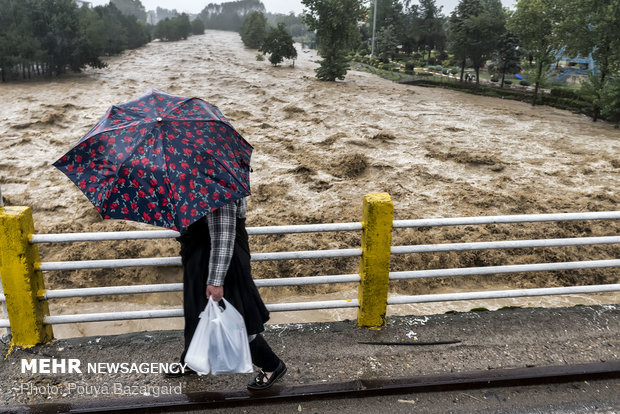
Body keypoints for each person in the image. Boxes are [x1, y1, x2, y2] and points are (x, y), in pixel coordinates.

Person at [169, 197, 287, 390]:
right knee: (197, 314)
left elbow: (223, 235)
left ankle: (272, 365)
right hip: (202, 260)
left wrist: (216, 280)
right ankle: (193, 360)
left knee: (237, 319)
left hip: (223, 264)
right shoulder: (198, 179)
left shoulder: (215, 185)